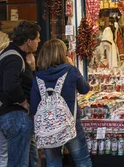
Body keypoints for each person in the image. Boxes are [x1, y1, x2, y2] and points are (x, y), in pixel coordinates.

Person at [30, 39, 91, 167]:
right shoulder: (71, 71)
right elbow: (85, 89)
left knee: (53, 163)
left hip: (48, 127)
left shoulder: (38, 77)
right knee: (82, 161)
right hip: (71, 124)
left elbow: (34, 106)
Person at [0, 21, 41, 167]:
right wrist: (24, 102)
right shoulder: (14, 58)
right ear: (28, 41)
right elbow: (10, 85)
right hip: (15, 117)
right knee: (19, 163)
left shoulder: (12, 55)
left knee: (27, 160)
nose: (39, 41)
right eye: (37, 38)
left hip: (11, 117)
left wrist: (32, 68)